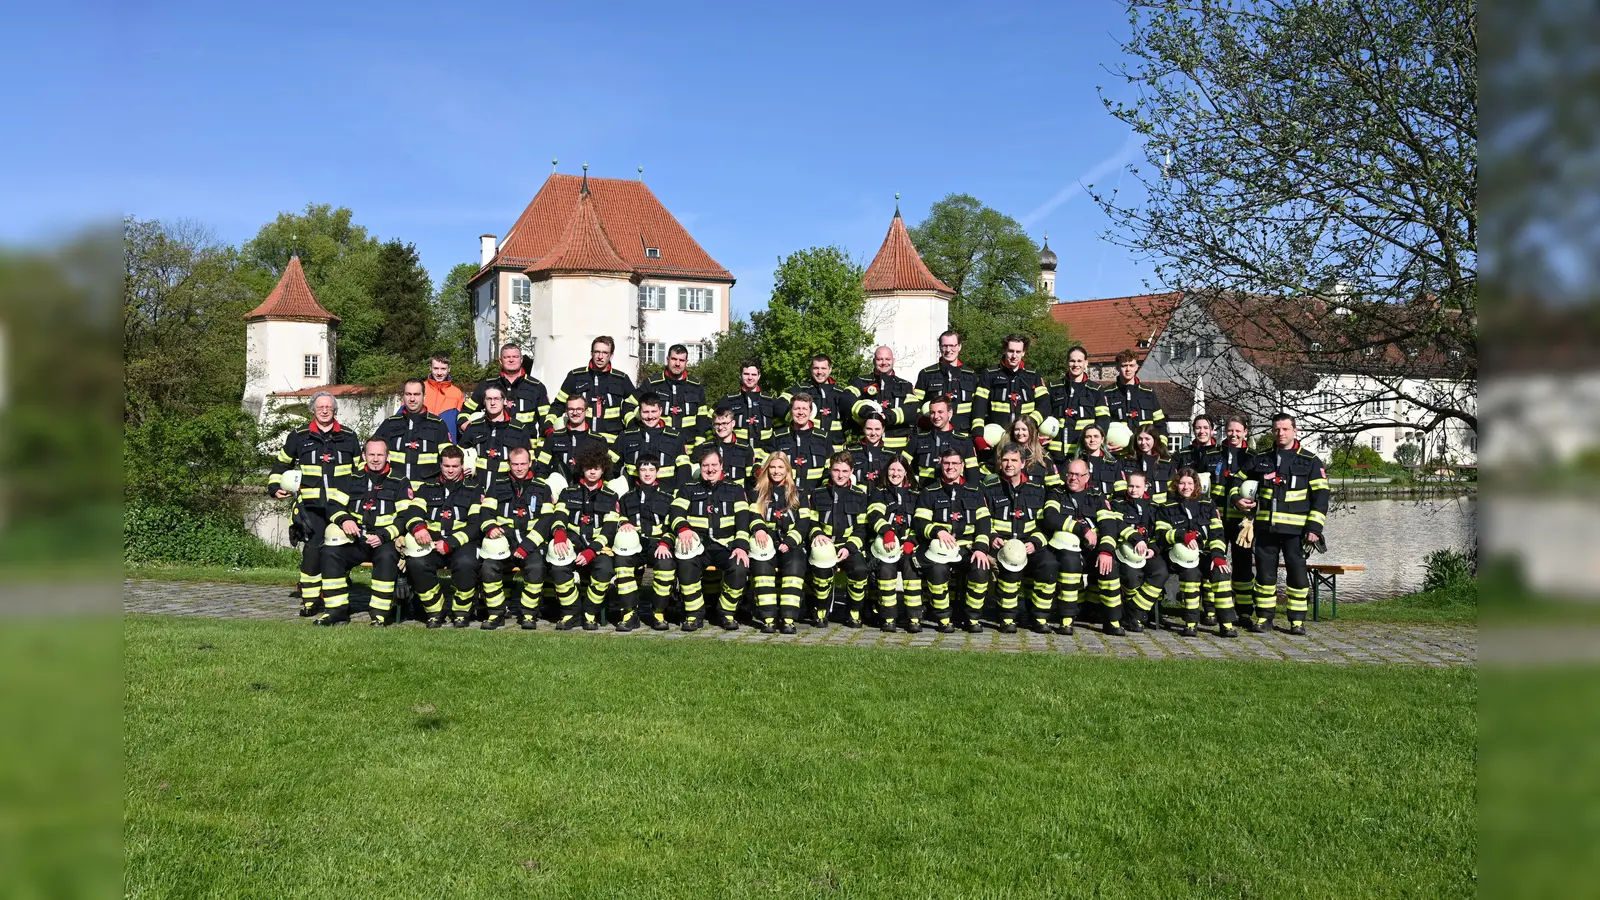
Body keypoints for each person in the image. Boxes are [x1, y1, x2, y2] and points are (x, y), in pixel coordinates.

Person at [269, 391, 360, 614]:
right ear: (313, 410)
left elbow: (360, 472)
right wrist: (274, 487)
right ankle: (310, 600)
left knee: (340, 550)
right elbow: (281, 466)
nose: (325, 410)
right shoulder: (298, 436)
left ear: (335, 410)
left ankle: (336, 598)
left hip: (341, 506)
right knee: (312, 551)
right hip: (312, 506)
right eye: (320, 407)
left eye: (329, 407)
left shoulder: (349, 437)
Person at [314, 438, 421, 627]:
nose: (375, 459)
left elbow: (405, 517)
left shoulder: (400, 481)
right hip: (356, 539)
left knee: (387, 556)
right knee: (330, 553)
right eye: (371, 454)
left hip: (385, 540)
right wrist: (344, 519)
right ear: (364, 456)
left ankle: (379, 614)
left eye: (380, 454)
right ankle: (336, 610)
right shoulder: (350, 479)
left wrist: (383, 536)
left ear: (388, 456)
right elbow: (333, 506)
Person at [1241, 413, 1330, 635]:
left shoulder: (1310, 461)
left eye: (1285, 429)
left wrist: (1314, 529)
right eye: (1276, 429)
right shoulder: (1261, 459)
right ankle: (1263, 618)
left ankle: (1297, 621)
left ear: (1295, 431)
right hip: (1266, 529)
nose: (1280, 433)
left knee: (1297, 576)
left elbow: (1321, 497)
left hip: (1296, 532)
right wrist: (1238, 500)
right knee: (1264, 575)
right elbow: (1237, 480)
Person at [670, 444, 752, 631]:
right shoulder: (688, 488)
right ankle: (694, 614)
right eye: (706, 465)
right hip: (699, 545)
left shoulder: (735, 489)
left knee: (739, 568)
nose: (710, 469)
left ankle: (726, 613)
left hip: (726, 545)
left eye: (714, 464)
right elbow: (676, 512)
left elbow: (742, 520)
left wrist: (740, 546)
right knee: (686, 565)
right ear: (700, 466)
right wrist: (683, 529)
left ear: (721, 466)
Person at [914, 446, 993, 633]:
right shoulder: (929, 492)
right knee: (937, 570)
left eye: (955, 463)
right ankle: (943, 618)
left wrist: (981, 548)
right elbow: (920, 522)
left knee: (980, 568)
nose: (950, 467)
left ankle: (972, 618)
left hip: (966, 547)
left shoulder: (975, 491)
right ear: (941, 464)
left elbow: (984, 522)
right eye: (947, 463)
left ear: (962, 465)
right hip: (939, 548)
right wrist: (937, 531)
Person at [478, 447, 558, 630]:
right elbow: (485, 512)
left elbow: (546, 521)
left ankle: (529, 614)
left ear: (530, 463)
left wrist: (526, 546)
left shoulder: (542, 487)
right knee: (489, 568)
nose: (519, 468)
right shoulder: (497, 486)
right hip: (503, 543)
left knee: (536, 568)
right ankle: (496, 613)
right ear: (509, 464)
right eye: (515, 464)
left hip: (530, 544)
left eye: (523, 463)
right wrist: (490, 527)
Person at [403, 445, 483, 628]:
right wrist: (418, 528)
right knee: (416, 563)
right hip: (430, 542)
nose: (450, 470)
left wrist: (450, 543)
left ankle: (462, 612)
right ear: (440, 464)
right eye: (446, 466)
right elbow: (413, 512)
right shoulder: (426, 487)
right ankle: (434, 610)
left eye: (455, 466)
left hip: (461, 543)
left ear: (462, 466)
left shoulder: (474, 489)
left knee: (466, 564)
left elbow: (475, 525)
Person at [547, 446, 623, 630]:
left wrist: (592, 550)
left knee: (604, 570)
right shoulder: (568, 492)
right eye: (588, 467)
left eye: (596, 467)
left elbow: (610, 529)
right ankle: (571, 612)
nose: (592, 471)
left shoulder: (611, 496)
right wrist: (558, 533)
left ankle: (589, 613)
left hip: (597, 548)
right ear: (582, 468)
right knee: (558, 568)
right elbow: (560, 517)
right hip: (572, 544)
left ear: (603, 469)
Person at [1157, 468, 1239, 637]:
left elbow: (1217, 533)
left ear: (1196, 485)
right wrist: (1182, 536)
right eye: (1181, 483)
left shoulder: (1208, 504)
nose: (1185, 487)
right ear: (1176, 485)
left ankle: (1227, 624)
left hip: (1207, 554)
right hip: (1181, 557)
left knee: (1221, 574)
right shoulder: (1166, 506)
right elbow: (1161, 534)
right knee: (1190, 575)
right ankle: (1191, 623)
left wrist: (1217, 555)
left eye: (1189, 483)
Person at [982, 443, 1055, 633]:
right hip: (1001, 544)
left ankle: (1039, 618)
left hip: (1030, 544)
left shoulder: (1037, 489)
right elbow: (982, 518)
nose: (1009, 464)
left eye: (1014, 460)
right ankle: (1007, 618)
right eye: (1005, 460)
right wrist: (992, 537)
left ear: (1023, 463)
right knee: (1009, 570)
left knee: (1048, 565)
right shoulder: (989, 487)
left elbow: (1044, 524)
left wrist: (1035, 542)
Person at [1040, 458, 1119, 636]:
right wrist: (1082, 529)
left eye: (1078, 474)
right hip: (1064, 551)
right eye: (1070, 474)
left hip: (1092, 550)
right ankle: (1066, 620)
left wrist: (1106, 551)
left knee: (1110, 566)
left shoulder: (1096, 496)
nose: (1073, 478)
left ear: (1087, 477)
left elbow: (1109, 525)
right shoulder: (1056, 493)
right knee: (1070, 563)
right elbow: (1051, 517)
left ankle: (1112, 621)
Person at [808, 452, 873, 628]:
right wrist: (817, 534)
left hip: (848, 546)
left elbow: (861, 528)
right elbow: (811, 520)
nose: (840, 475)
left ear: (851, 471)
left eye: (845, 471)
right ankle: (820, 611)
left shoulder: (860, 495)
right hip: (824, 544)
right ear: (830, 470)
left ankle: (854, 612)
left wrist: (850, 547)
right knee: (822, 575)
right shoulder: (818, 493)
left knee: (860, 570)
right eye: (836, 470)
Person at [747, 451, 810, 634]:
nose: (776, 471)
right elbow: (754, 515)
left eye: (780, 467)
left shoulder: (800, 492)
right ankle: (768, 619)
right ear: (767, 469)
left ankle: (788, 619)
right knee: (762, 567)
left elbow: (803, 522)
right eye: (772, 467)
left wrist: (790, 542)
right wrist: (759, 528)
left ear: (788, 470)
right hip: (766, 540)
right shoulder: (757, 492)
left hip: (792, 542)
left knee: (795, 565)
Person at [614, 457, 677, 631]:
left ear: (657, 472)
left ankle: (658, 613)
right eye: (643, 470)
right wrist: (623, 523)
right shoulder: (626, 498)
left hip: (658, 544)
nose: (647, 473)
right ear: (637, 472)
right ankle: (629, 614)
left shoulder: (667, 498)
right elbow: (619, 517)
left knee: (666, 565)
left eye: (651, 470)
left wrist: (665, 543)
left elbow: (672, 525)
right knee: (621, 563)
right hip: (634, 544)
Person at [866, 456, 923, 632]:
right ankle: (888, 618)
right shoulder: (878, 492)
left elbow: (921, 522)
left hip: (909, 547)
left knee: (911, 570)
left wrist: (911, 542)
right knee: (885, 570)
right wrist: (887, 532)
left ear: (906, 472)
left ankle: (914, 618)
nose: (895, 473)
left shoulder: (917, 495)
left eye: (899, 470)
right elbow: (874, 514)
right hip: (886, 546)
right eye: (892, 470)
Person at [1215, 416, 1259, 626]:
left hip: (1243, 523)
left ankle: (1244, 612)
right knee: (1216, 563)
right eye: (1230, 431)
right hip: (1217, 521)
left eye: (1238, 431)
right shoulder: (1215, 454)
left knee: (1242, 567)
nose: (1233, 435)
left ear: (1245, 432)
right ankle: (1214, 609)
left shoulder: (1253, 457)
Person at [1110, 470, 1166, 633]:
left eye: (1137, 486)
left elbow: (1159, 532)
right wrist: (1135, 538)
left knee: (1160, 572)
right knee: (1131, 575)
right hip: (1125, 552)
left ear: (1146, 487)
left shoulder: (1155, 507)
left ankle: (1133, 612)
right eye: (1130, 486)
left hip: (1149, 552)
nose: (1133, 490)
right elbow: (1117, 525)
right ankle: (1136, 618)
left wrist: (1153, 549)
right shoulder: (1118, 504)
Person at [552, 335, 636, 441]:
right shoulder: (575, 376)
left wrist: (632, 425)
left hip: (611, 443)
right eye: (597, 352)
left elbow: (633, 405)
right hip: (581, 439)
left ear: (611, 355)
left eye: (605, 353)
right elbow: (558, 404)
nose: (600, 356)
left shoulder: (621, 379)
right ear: (591, 353)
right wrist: (548, 425)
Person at [973, 333, 1051, 445]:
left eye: (1018, 352)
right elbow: (979, 407)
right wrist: (978, 436)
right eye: (1011, 351)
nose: (1014, 355)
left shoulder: (1033, 375)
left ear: (1024, 352)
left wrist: (1028, 424)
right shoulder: (989, 374)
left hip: (1025, 439)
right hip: (998, 439)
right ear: (1005, 350)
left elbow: (1045, 406)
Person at [373, 379, 452, 487]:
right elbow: (370, 454)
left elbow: (449, 458)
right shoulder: (389, 424)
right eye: (408, 394)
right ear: (403, 396)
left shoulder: (438, 425)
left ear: (424, 396)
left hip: (428, 492)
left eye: (416, 394)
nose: (412, 399)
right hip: (394, 489)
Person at [456, 386, 533, 491]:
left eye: (497, 399)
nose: (492, 403)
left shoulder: (519, 429)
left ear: (505, 401)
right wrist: (463, 467)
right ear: (484, 402)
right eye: (489, 399)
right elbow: (458, 453)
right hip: (476, 490)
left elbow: (530, 462)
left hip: (507, 492)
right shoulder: (474, 427)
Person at [760, 392, 835, 496]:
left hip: (813, 499)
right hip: (784, 498)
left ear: (810, 412)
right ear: (791, 411)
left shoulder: (823, 437)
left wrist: (822, 493)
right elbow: (761, 463)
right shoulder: (778, 436)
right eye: (797, 409)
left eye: (804, 409)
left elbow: (830, 469)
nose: (800, 412)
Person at [464, 342, 551, 429]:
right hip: (494, 441)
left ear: (521, 359)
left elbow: (546, 422)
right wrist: (464, 425)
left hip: (525, 441)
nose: (511, 360)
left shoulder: (536, 387)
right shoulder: (487, 385)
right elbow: (466, 411)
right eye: (507, 357)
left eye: (515, 357)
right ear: (500, 361)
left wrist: (543, 442)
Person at [1046, 345, 1110, 461]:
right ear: (1067, 362)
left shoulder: (1096, 390)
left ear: (1086, 363)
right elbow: (1044, 414)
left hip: (1083, 453)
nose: (1076, 365)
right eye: (1072, 361)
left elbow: (1103, 420)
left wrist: (1096, 443)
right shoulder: (1054, 387)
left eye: (1079, 361)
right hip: (1055, 454)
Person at [614, 392, 689, 489]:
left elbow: (684, 471)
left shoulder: (675, 437)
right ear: (639, 412)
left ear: (660, 411)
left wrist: (678, 495)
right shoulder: (626, 436)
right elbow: (612, 466)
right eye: (645, 412)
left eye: (653, 411)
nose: (650, 417)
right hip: (634, 496)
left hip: (666, 495)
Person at [913, 329, 980, 434]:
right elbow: (915, 404)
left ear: (959, 346)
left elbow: (977, 408)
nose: (949, 350)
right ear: (939, 347)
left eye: (952, 345)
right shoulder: (926, 374)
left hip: (962, 434)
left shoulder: (970, 375)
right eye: (945, 346)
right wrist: (923, 422)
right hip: (932, 434)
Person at [632, 343, 707, 436]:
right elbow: (629, 405)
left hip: (689, 446)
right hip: (658, 444)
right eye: (674, 359)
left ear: (686, 363)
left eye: (682, 360)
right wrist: (636, 430)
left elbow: (703, 419)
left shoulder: (696, 386)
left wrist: (699, 444)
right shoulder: (652, 384)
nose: (677, 363)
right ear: (667, 360)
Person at [849, 346, 915, 451]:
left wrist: (888, 417)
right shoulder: (860, 382)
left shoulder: (905, 385)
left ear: (893, 360)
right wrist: (867, 412)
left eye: (887, 359)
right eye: (880, 359)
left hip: (897, 449)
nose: (884, 362)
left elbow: (913, 410)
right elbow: (846, 399)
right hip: (864, 447)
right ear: (874, 360)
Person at [781, 354, 853, 450]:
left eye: (823, 368)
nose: (819, 372)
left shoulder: (840, 393)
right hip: (808, 448)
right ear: (811, 369)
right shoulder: (801, 389)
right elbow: (780, 405)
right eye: (816, 368)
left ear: (830, 369)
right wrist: (797, 417)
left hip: (836, 449)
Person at [536, 396, 613, 485]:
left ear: (586, 411)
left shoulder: (598, 440)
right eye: (571, 409)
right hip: (559, 489)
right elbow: (541, 468)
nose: (575, 413)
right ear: (566, 411)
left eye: (579, 409)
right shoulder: (553, 438)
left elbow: (607, 473)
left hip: (587, 490)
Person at [910, 397, 978, 486]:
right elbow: (902, 465)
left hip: (954, 494)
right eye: (932, 413)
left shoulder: (964, 441)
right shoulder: (918, 439)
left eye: (940, 412)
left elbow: (973, 474)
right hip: (925, 493)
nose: (936, 416)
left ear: (950, 413)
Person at [1102, 348, 1166, 437]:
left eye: (1131, 365)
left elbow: (1160, 424)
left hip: (1143, 447)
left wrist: (1160, 446)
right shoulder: (1107, 393)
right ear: (1117, 367)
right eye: (1124, 366)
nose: (1128, 369)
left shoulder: (1148, 393)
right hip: (1118, 447)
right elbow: (1101, 424)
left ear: (1137, 367)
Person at [689, 406, 757, 489]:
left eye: (724, 423)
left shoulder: (745, 449)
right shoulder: (703, 448)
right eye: (717, 424)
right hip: (711, 496)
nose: (720, 427)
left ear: (733, 423)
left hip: (736, 497)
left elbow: (750, 481)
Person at [717, 359, 781, 445]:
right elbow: (710, 420)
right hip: (737, 454)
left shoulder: (770, 400)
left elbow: (781, 429)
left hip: (765, 455)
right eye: (746, 374)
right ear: (740, 376)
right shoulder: (729, 400)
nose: (750, 378)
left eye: (753, 374)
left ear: (759, 376)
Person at [984, 416, 1057, 486]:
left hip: (1035, 497)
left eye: (1024, 429)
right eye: (1017, 429)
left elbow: (1053, 487)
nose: (1020, 433)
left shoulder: (1043, 456)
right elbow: (985, 473)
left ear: (1031, 432)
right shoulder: (1002, 451)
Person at [1124, 424, 1176, 505]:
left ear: (1155, 440)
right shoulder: (1127, 462)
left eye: (1147, 439)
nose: (1143, 442)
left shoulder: (1167, 463)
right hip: (1133, 508)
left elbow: (1172, 490)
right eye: (1140, 439)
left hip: (1159, 509)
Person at [846, 415, 901, 489]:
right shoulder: (851, 452)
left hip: (883, 498)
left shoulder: (892, 455)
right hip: (857, 498)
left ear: (883, 429)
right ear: (863, 429)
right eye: (869, 429)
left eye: (877, 429)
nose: (873, 433)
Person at [1073, 424, 1127, 499]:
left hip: (1107, 507)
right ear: (1083, 440)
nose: (1092, 440)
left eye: (1096, 436)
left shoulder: (1113, 464)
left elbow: (1121, 493)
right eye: (1088, 437)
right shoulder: (1074, 463)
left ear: (1102, 440)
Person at [423, 354, 467, 441]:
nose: (439, 373)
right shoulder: (420, 389)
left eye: (443, 369)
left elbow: (462, 422)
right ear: (430, 368)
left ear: (449, 369)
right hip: (422, 443)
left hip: (448, 446)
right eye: (436, 368)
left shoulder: (457, 393)